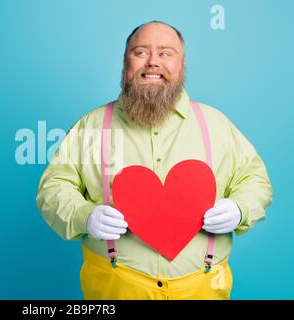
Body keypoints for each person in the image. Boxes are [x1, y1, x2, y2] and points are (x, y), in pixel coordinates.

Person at [36, 20, 273, 300]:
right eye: (141, 52)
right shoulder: (92, 126)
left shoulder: (216, 124)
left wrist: (240, 208)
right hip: (114, 289)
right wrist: (83, 216)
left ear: (182, 65)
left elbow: (255, 181)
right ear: (125, 64)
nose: (152, 62)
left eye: (165, 53)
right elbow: (53, 188)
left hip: (203, 288)